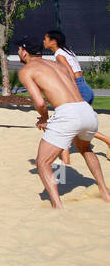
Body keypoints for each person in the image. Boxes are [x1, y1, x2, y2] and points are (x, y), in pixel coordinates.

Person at [17, 37, 110, 209]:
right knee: (85, 149)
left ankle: (57, 206)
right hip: (86, 110)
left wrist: (44, 118)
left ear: (24, 51)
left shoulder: (27, 70)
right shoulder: (57, 65)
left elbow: (39, 103)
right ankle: (104, 191)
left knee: (42, 162)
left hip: (68, 113)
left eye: (18, 50)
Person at [45, 30, 95, 106]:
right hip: (85, 87)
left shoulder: (59, 55)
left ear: (54, 42)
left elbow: (71, 74)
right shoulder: (67, 51)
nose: (43, 41)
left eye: (45, 39)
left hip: (79, 88)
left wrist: (74, 92)